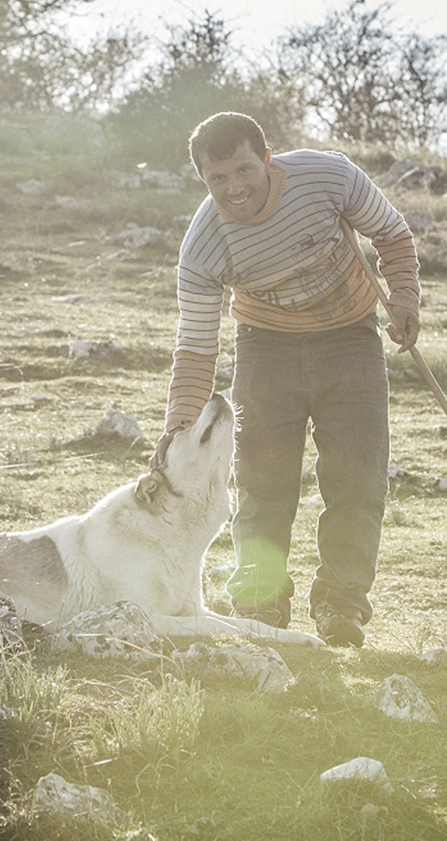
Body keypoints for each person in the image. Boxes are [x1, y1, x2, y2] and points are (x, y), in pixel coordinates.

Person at [154, 111, 420, 648]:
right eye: (218, 178)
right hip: (265, 350)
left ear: (267, 158)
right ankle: (259, 607)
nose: (235, 188)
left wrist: (405, 297)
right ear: (202, 178)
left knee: (358, 481)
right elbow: (196, 347)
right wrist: (180, 423)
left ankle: (342, 607)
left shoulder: (329, 176)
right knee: (263, 487)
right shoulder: (203, 246)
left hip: (351, 340)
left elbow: (392, 234)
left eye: (244, 170)